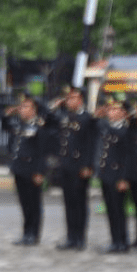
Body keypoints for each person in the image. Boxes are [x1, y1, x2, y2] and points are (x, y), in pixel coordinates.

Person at [46, 86, 95, 250]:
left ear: (80, 99)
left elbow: (90, 144)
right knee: (68, 202)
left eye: (73, 97)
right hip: (66, 165)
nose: (69, 100)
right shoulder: (65, 116)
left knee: (80, 202)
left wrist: (88, 166)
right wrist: (54, 105)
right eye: (68, 98)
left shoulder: (87, 118)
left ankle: (80, 238)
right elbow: (47, 121)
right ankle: (70, 237)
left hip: (80, 167)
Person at [3, 94, 49, 246]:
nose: (22, 110)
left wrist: (40, 172)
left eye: (26, 107)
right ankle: (26, 233)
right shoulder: (20, 125)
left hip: (32, 170)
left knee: (34, 204)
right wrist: (7, 114)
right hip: (19, 169)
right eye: (21, 107)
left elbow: (43, 152)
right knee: (24, 204)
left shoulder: (40, 126)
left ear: (34, 109)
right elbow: (5, 127)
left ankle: (33, 234)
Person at [93, 95, 134, 252]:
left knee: (119, 210)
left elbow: (128, 157)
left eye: (116, 109)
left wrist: (124, 178)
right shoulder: (106, 127)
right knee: (111, 209)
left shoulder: (126, 130)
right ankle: (115, 240)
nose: (111, 112)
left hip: (118, 177)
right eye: (110, 109)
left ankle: (122, 242)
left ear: (123, 113)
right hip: (106, 174)